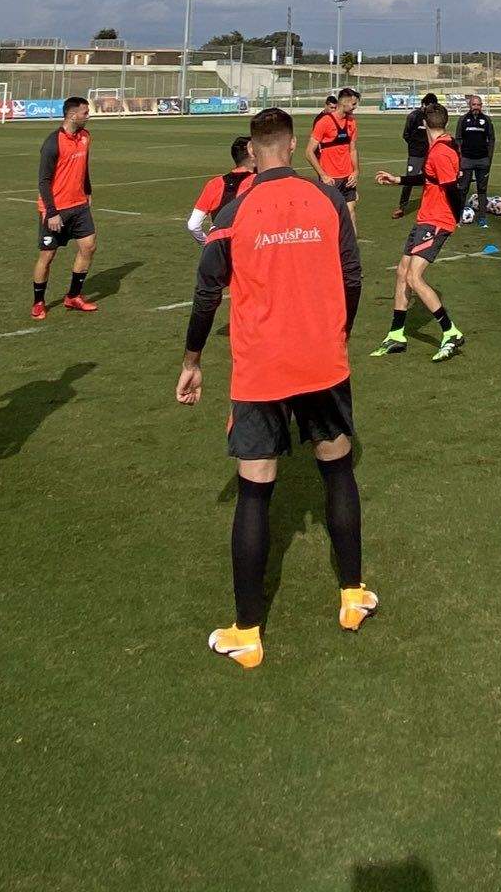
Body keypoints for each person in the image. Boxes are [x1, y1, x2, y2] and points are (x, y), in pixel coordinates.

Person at [176, 106, 372, 669]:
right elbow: (353, 274)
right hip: (323, 360)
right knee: (337, 468)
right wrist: (339, 334)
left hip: (261, 367)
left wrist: (192, 360)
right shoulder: (328, 200)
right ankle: (353, 594)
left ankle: (248, 631)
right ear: (290, 147)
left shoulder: (234, 212)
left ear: (254, 152)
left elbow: (205, 293)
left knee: (256, 487)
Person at [368, 100, 466, 361]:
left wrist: (454, 218)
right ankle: (397, 334)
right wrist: (398, 179)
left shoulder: (441, 152)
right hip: (426, 218)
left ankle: (450, 332)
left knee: (413, 277)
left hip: (436, 221)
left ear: (424, 124)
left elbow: (453, 189)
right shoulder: (438, 148)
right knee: (402, 272)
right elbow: (430, 179)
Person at [31, 96, 97, 318]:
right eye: (85, 113)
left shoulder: (86, 137)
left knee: (88, 247)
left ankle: (73, 296)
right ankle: (38, 302)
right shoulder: (53, 142)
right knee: (47, 257)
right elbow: (43, 181)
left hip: (79, 205)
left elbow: (84, 167)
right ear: (72, 115)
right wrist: (51, 212)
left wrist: (87, 191)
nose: (88, 116)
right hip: (56, 209)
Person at [308, 86, 363, 221]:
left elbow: (353, 149)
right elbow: (309, 152)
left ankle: (351, 242)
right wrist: (323, 175)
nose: (355, 107)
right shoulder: (324, 122)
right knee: (331, 215)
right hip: (330, 179)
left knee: (350, 213)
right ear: (344, 102)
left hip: (348, 177)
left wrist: (356, 171)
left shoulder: (352, 122)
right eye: (353, 104)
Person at [187, 135, 254, 239]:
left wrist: (207, 243)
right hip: (249, 246)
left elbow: (193, 225)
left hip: (219, 247)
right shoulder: (260, 182)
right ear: (252, 154)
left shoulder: (214, 184)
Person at [394, 92, 438, 217]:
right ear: (425, 104)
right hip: (416, 155)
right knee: (410, 180)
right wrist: (415, 147)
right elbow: (406, 135)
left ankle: (430, 206)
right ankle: (402, 207)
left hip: (430, 155)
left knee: (431, 180)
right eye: (431, 106)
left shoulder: (433, 117)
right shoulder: (414, 116)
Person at [456, 93, 495, 218]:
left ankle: (482, 218)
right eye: (474, 104)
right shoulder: (463, 119)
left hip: (483, 160)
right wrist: (460, 157)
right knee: (463, 189)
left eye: (478, 104)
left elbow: (492, 139)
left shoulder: (486, 120)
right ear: (469, 105)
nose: (476, 107)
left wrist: (489, 159)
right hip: (466, 160)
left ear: (481, 106)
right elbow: (458, 139)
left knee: (482, 189)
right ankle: (459, 215)